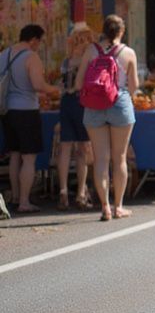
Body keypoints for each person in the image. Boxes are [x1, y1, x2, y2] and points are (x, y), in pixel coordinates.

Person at [75, 15, 138, 221]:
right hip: (119, 103)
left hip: (93, 106)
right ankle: (119, 206)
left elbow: (78, 84)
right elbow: (134, 86)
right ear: (122, 31)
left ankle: (105, 207)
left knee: (100, 158)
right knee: (119, 158)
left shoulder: (91, 51)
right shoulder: (128, 53)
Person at [2, 24, 60, 213]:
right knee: (29, 158)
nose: (38, 45)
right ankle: (25, 202)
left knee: (15, 155)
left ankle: (16, 196)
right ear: (34, 39)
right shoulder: (31, 56)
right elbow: (37, 85)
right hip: (26, 110)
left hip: (7, 111)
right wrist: (54, 89)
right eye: (39, 41)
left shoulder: (3, 54)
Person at [57, 23, 95, 210]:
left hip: (66, 103)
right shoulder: (88, 59)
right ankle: (81, 192)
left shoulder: (67, 60)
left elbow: (61, 86)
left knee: (65, 149)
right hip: (82, 103)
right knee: (83, 149)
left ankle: (63, 191)